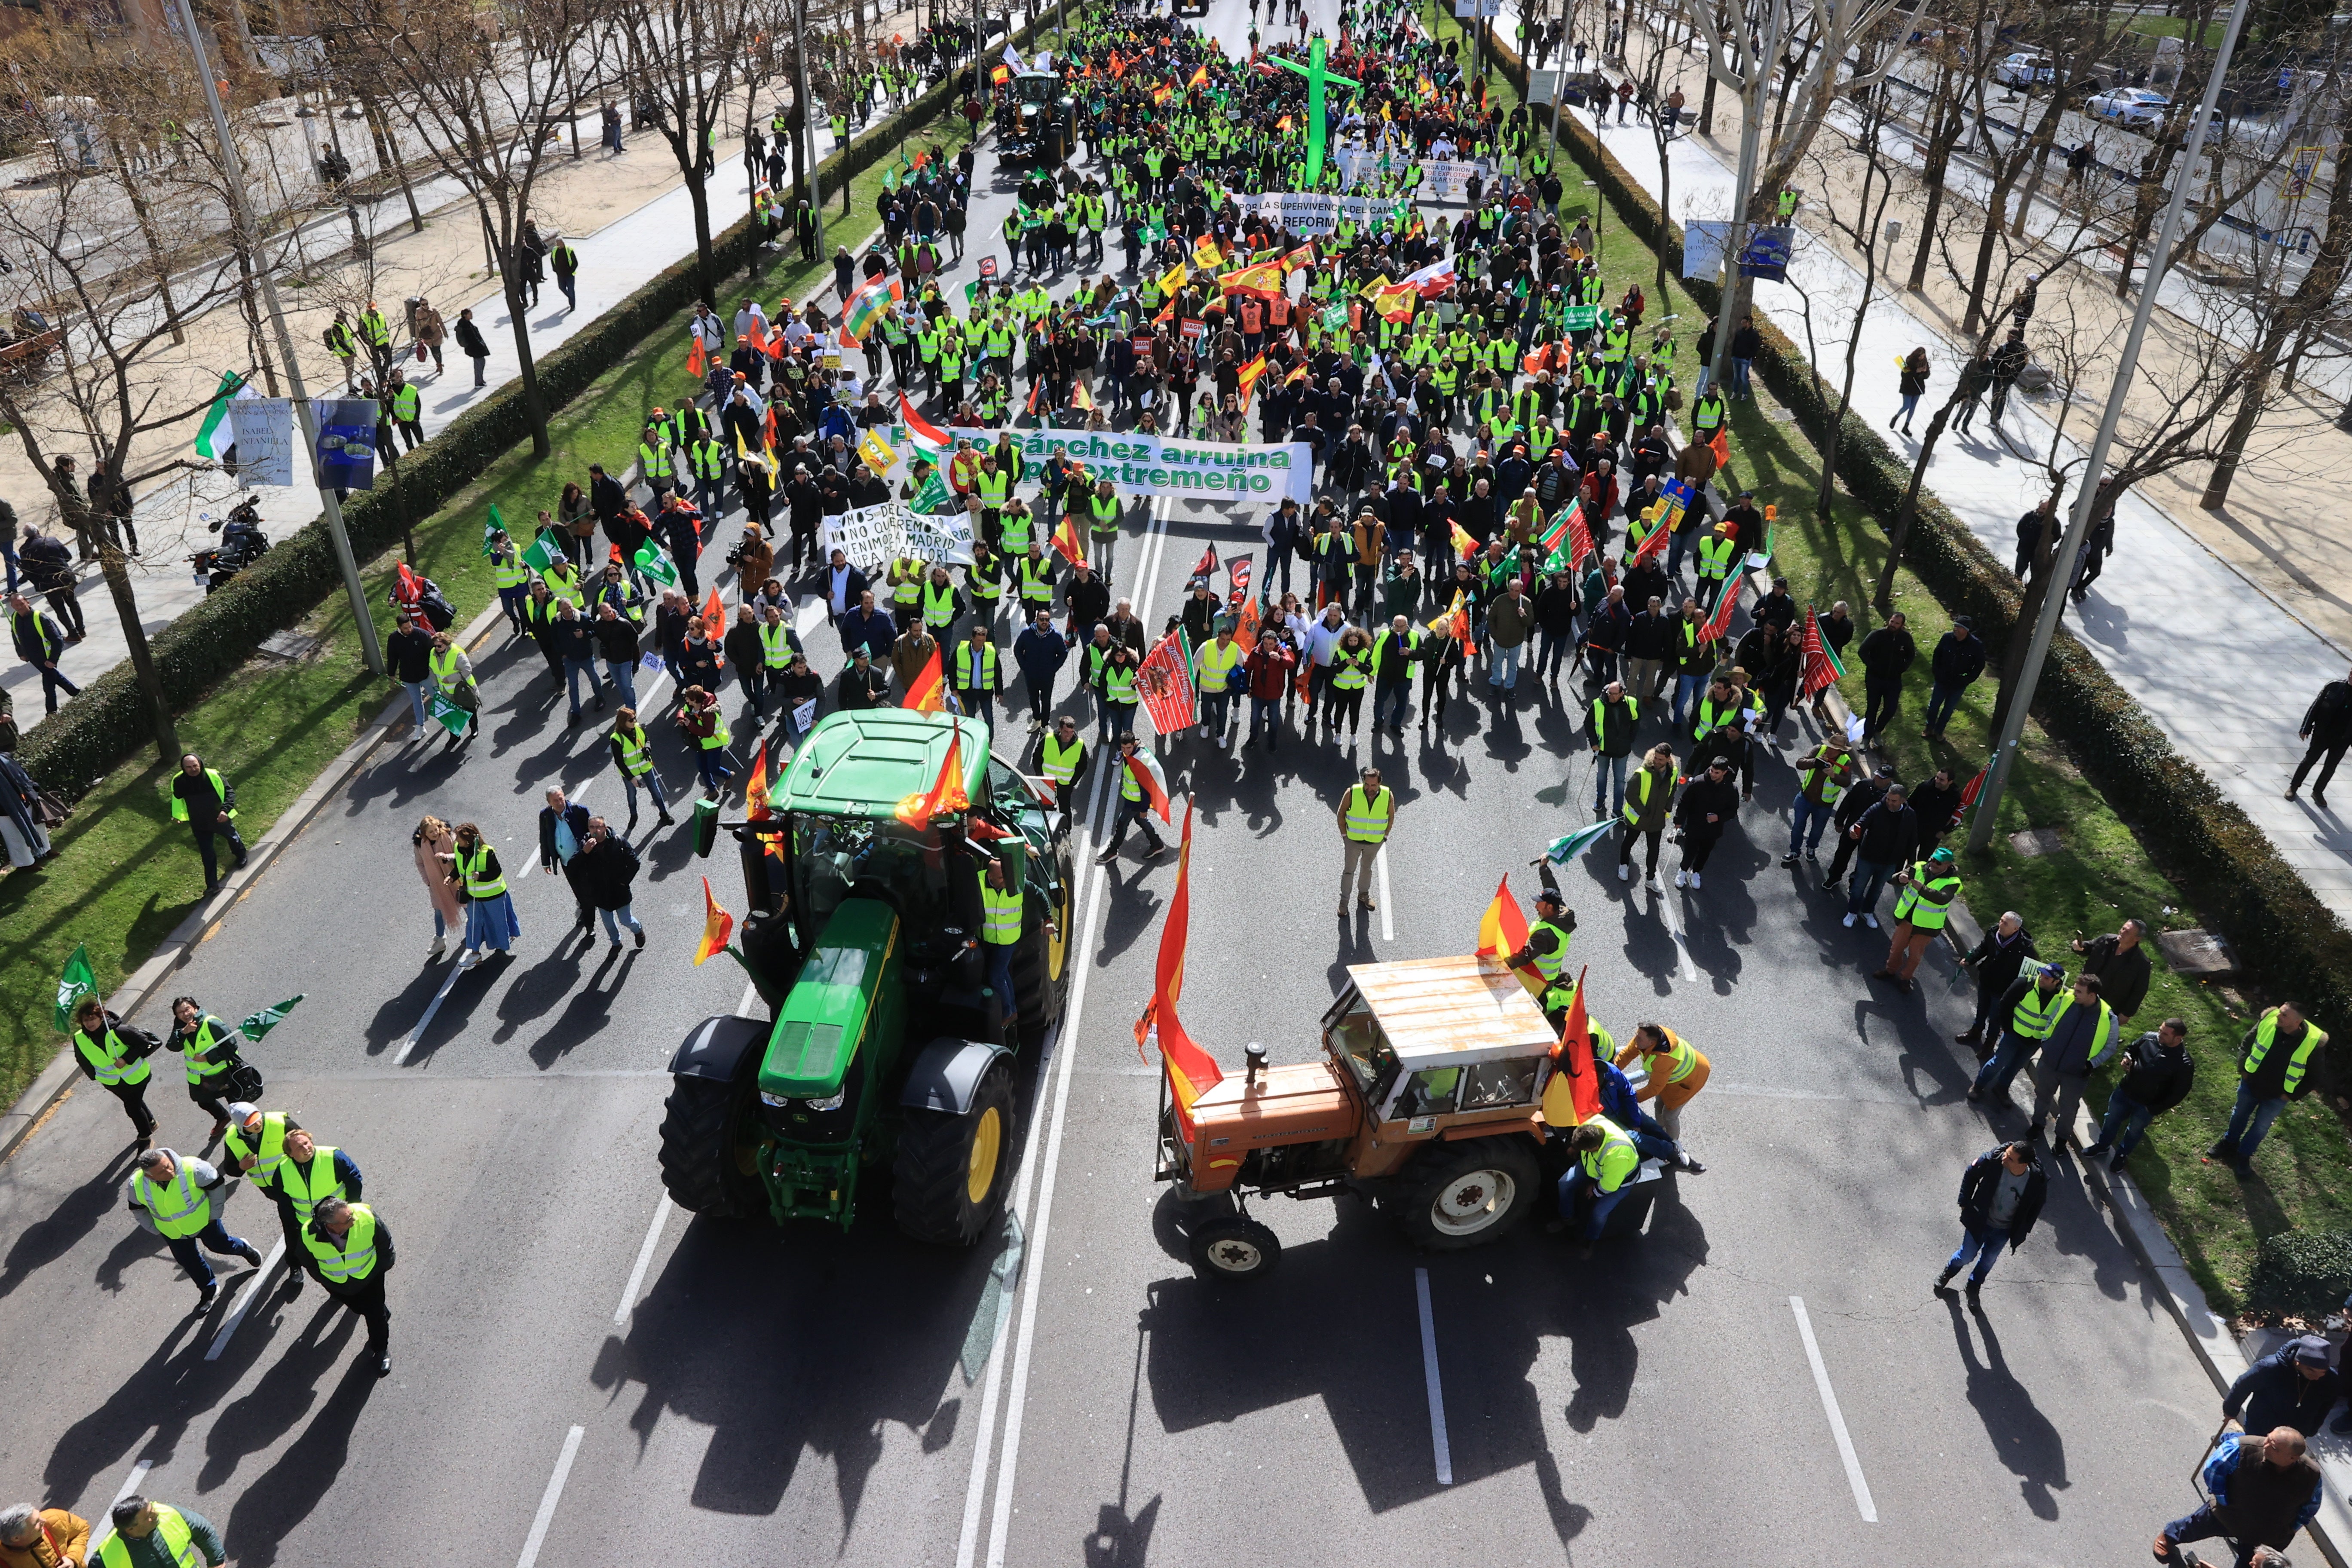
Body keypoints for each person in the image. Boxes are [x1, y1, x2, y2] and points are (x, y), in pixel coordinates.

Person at [2153, 1428, 2322, 1568]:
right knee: (2195, 1525)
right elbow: (2214, 1470)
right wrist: (2223, 1500)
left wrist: (2292, 1527)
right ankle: (2169, 1536)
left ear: (2292, 1458)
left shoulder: (2311, 1475)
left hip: (2267, 1534)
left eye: (2275, 1447)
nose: (2266, 1444)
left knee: (2253, 1564)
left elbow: (2311, 1507)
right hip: (2229, 1513)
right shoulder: (2243, 1448)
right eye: (2269, 1438)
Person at [126, 1146, 260, 1312]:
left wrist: (214, 1215)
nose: (169, 1171)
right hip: (173, 1232)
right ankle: (208, 1289)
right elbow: (138, 1210)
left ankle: (244, 1249)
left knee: (221, 1246)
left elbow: (217, 1186)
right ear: (149, 1176)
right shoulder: (137, 1184)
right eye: (162, 1172)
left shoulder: (194, 1168)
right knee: (189, 1262)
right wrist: (155, 1229)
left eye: (168, 1165)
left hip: (205, 1222)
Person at [2211, 1002, 2327, 1179]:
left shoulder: (2313, 1042)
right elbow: (2248, 1042)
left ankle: (2244, 1155)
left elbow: (2314, 1076)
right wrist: (2244, 1069)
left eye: (2284, 1015)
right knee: (2239, 1114)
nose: (2279, 1016)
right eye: (2280, 1012)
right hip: (2251, 1084)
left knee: (2261, 1127)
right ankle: (2229, 1143)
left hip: (2277, 1095)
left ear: (2298, 1022)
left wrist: (2290, 1095)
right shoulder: (2269, 1020)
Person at [1935, 1141, 2046, 1298]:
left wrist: (2024, 1227)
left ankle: (1974, 1286)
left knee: (1989, 1260)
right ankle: (1949, 1272)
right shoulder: (1993, 1161)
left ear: (2024, 1164)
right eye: (2006, 1153)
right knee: (1967, 1255)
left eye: (2011, 1159)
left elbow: (2038, 1204)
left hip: (2004, 1230)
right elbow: (1971, 1173)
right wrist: (1964, 1203)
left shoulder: (2035, 1179)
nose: (2004, 1158)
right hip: (1981, 1221)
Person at [2027, 972, 2122, 1144]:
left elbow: (2110, 1048)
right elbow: (2051, 1020)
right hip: (2049, 1063)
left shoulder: (2108, 1018)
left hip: (2076, 1073)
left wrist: (2090, 1064)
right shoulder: (2068, 999)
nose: (2074, 992)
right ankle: (2037, 1125)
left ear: (2091, 995)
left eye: (2079, 991)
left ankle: (2062, 1139)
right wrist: (2046, 1044)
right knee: (2042, 1097)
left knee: (2069, 1109)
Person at [305, 1194, 395, 1378]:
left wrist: (380, 1270)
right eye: (347, 1220)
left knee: (375, 1314)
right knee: (359, 1308)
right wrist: (325, 1281)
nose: (353, 1219)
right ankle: (379, 1311)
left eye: (351, 1214)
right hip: (340, 1286)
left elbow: (385, 1245)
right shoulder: (309, 1234)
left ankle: (380, 1350)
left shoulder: (366, 1217)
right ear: (332, 1227)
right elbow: (308, 1260)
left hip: (370, 1277)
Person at [1874, 845, 1963, 992]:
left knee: (1915, 957)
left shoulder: (1953, 882)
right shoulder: (1918, 867)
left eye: (1939, 863)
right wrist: (1899, 878)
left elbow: (1943, 899)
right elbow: (1894, 879)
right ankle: (1890, 970)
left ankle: (1905, 978)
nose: (1934, 864)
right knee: (1896, 949)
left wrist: (1922, 888)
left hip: (1926, 927)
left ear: (1948, 865)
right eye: (1933, 860)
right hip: (1906, 920)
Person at [2225, 1334, 2346, 1442]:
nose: (2317, 1377)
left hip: (2296, 1431)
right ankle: (2230, 1441)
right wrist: (2231, 1410)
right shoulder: (2269, 1368)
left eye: (2323, 1372)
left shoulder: (2331, 1380)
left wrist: (2312, 1429)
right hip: (2262, 1423)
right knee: (2254, 1447)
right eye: (2311, 1371)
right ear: (2298, 1362)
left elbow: (2326, 1405)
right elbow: (2243, 1385)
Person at [70, 994, 156, 1147]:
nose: (89, 1023)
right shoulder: (79, 1038)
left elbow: (143, 1043)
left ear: (101, 1018)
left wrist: (126, 1059)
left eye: (93, 1019)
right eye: (86, 1020)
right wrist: (95, 1075)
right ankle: (150, 1122)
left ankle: (145, 1137)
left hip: (137, 1077)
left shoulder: (120, 1031)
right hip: (112, 1082)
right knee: (133, 1104)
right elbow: (82, 1059)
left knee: (133, 1108)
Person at [1553, 1116, 1638, 1259]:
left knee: (1599, 1213)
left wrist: (1595, 1190)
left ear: (1594, 1148)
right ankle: (1567, 1218)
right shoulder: (1590, 1125)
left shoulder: (1617, 1156)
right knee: (1565, 1184)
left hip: (1619, 1181)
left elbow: (1611, 1185)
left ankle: (1590, 1240)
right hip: (1593, 1166)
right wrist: (1575, 1147)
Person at [163, 996, 242, 1142]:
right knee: (204, 1102)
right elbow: (172, 1046)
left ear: (195, 1007)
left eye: (187, 1009)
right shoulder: (181, 1026)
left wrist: (208, 1058)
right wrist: (183, 1033)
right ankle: (223, 1117)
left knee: (237, 1106)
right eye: (180, 1013)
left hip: (224, 1074)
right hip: (200, 1078)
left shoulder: (212, 1023)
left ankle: (244, 1131)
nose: (186, 1014)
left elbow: (232, 1046)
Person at [1956, 911, 2038, 1050]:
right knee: (1982, 1009)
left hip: (2002, 989)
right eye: (2001, 920)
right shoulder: (1994, 932)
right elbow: (1984, 948)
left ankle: (1990, 1044)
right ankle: (1976, 1031)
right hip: (1986, 979)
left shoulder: (2024, 948)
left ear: (2015, 929)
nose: (2001, 925)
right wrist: (1970, 960)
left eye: (2005, 923)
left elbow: (2029, 972)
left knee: (1995, 1017)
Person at [1614, 1023, 1709, 1141]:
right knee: (1659, 1104)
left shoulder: (1664, 1059)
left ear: (1651, 1043)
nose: (1635, 1039)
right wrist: (1610, 1071)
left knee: (1669, 1116)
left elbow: (1654, 1089)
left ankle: (1673, 1144)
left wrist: (1628, 1099)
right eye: (1636, 1035)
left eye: (1639, 1038)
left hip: (1691, 1080)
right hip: (1669, 1077)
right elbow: (1627, 1054)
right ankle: (1661, 1132)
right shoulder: (1646, 1040)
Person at [1841, 782, 1917, 929]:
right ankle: (1852, 912)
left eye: (1894, 801)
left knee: (1877, 889)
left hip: (1890, 862)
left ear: (1903, 801)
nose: (1889, 802)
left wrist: (1911, 863)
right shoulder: (1877, 809)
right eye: (1888, 799)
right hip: (1868, 858)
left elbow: (1912, 839)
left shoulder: (1910, 815)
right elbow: (1861, 822)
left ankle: (1868, 911)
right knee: (1859, 887)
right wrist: (1853, 830)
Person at [444, 819, 518, 968]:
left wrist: (481, 876)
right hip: (474, 897)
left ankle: (502, 944)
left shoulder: (487, 852)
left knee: (498, 923)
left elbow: (496, 872)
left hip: (494, 896)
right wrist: (452, 876)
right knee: (474, 924)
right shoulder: (459, 849)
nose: (455, 840)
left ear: (468, 840)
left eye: (458, 838)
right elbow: (461, 868)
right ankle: (475, 954)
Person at [1783, 733, 1857, 867]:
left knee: (1817, 831)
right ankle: (1794, 851)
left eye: (1835, 749)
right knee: (1797, 828)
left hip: (1824, 805)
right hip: (1804, 798)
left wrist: (1833, 775)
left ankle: (1811, 848)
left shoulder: (1846, 761)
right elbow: (1800, 763)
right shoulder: (1819, 749)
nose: (1830, 751)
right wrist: (1814, 762)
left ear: (1841, 751)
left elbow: (1846, 782)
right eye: (1830, 747)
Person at [1095, 733, 1167, 865]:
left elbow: (1145, 788)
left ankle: (1112, 851)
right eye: (1123, 748)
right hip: (1131, 798)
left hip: (1136, 801)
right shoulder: (1129, 755)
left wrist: (1144, 808)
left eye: (1128, 748)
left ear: (1134, 744)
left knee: (1122, 824)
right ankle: (1157, 844)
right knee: (1141, 820)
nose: (1125, 751)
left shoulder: (1138, 762)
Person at [95, 1498, 228, 1568]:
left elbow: (203, 1530)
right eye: (149, 1516)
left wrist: (216, 1562)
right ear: (131, 1529)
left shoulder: (169, 1514)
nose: (156, 1513)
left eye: (152, 1509)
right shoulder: (105, 1557)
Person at [2287, 665, 2352, 808]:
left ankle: (2318, 792)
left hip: (2343, 739)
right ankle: (2294, 787)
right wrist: (2306, 728)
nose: (2351, 676)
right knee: (2310, 760)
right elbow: (2315, 707)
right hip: (2323, 733)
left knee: (2331, 767)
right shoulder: (2334, 687)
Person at [577, 818, 646, 949]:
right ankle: (616, 943)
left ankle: (638, 930)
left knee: (626, 920)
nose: (595, 830)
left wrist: (623, 882)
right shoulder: (585, 844)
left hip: (619, 891)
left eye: (599, 827)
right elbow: (576, 866)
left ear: (605, 828)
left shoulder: (618, 841)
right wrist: (584, 853)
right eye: (592, 827)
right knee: (608, 923)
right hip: (600, 892)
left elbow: (634, 863)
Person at [2071, 919, 2152, 1028]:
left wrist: (2126, 1014)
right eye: (2123, 928)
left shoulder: (2141, 964)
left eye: (2127, 932)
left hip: (2108, 1005)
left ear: (2137, 939)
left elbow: (2139, 991)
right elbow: (2089, 947)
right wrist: (2080, 947)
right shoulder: (2107, 940)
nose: (2122, 932)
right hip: (2084, 993)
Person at [1336, 765, 1395, 916]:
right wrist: (1345, 836)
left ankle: (1364, 895)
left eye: (1373, 785)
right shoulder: (1352, 793)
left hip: (1374, 842)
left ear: (1379, 783)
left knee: (1367, 869)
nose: (1370, 788)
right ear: (1364, 781)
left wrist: (1385, 837)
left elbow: (1391, 817)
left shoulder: (1388, 795)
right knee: (1349, 871)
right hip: (1353, 841)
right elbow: (1341, 814)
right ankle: (1344, 903)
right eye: (1367, 784)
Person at [1672, 757, 1738, 890]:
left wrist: (1719, 817)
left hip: (1713, 830)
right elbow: (1684, 802)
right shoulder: (1699, 782)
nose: (1713, 775)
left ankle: (1696, 872)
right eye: (1712, 771)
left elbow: (1732, 811)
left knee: (1705, 852)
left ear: (1724, 773)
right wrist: (1679, 821)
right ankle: (1683, 870)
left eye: (1717, 773)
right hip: (1694, 826)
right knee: (1690, 851)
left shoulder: (1731, 789)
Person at [9, 591, 77, 713]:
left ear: (27, 602)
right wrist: (21, 653)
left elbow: (58, 640)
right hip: (34, 658)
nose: (19, 607)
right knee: (56, 678)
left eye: (21, 604)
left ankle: (51, 713)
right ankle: (77, 693)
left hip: (46, 658)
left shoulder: (40, 618)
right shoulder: (15, 617)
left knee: (49, 687)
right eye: (16, 605)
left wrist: (53, 660)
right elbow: (16, 636)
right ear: (12, 607)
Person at [1618, 743, 1676, 886]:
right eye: (1656, 758)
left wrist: (1667, 808)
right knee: (1629, 842)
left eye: (1661, 760)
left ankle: (1650, 878)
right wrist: (1643, 811)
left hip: (1657, 819)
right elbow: (1630, 794)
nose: (1657, 762)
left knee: (1654, 849)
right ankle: (1623, 865)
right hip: (1639, 818)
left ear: (1668, 759)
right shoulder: (1641, 773)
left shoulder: (1673, 772)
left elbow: (1673, 790)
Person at [608, 707, 674, 831]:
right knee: (632, 795)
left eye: (635, 718)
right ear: (623, 722)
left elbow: (647, 740)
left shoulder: (639, 728)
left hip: (645, 766)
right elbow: (619, 762)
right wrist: (632, 779)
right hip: (630, 772)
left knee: (655, 791)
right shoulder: (616, 739)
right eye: (631, 720)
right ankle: (634, 816)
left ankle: (664, 815)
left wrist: (648, 749)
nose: (634, 721)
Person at [539, 785, 594, 934]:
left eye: (561, 798)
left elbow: (592, 832)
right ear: (549, 802)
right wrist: (546, 861)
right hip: (566, 861)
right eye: (555, 801)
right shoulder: (545, 815)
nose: (559, 803)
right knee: (577, 889)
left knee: (588, 888)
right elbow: (544, 839)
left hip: (582, 858)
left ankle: (590, 923)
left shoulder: (579, 811)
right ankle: (586, 911)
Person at [978, 856, 1025, 1026]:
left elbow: (1039, 894)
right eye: (1001, 878)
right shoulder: (977, 881)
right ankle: (1012, 1010)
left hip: (1008, 940)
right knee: (1003, 973)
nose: (1006, 881)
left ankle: (1007, 1013)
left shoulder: (1018, 881)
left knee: (995, 977)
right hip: (989, 939)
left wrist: (1048, 920)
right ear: (990, 877)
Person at [1922, 616, 1984, 738]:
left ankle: (1939, 732)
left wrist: (1967, 679)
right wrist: (1936, 672)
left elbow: (1979, 666)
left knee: (1948, 709)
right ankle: (1929, 728)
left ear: (1966, 630)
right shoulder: (1947, 638)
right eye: (1955, 626)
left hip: (1958, 684)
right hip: (1942, 680)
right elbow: (1937, 655)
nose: (1956, 629)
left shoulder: (1976, 645)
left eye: (1959, 627)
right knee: (1934, 706)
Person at [1857, 611, 1914, 741]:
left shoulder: (1906, 638)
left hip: (1894, 681)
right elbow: (1862, 651)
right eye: (1892, 622)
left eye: (1897, 623)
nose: (1893, 625)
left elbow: (1911, 654)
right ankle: (1866, 737)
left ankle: (1878, 730)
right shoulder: (1877, 635)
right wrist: (1872, 666)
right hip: (1875, 679)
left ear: (1902, 625)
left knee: (1891, 709)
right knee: (1872, 709)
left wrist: (1903, 667)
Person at [413, 814, 462, 960]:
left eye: (436, 830)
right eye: (431, 832)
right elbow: (420, 863)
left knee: (466, 903)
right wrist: (428, 881)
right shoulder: (420, 845)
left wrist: (447, 857)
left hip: (455, 878)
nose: (435, 834)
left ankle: (478, 930)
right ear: (424, 834)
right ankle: (440, 939)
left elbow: (459, 854)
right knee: (439, 912)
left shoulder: (449, 836)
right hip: (436, 885)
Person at [1246, 628, 1298, 750]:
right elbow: (1247, 669)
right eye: (1265, 644)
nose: (1268, 647)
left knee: (1274, 721)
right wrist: (1247, 688)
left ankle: (1272, 741)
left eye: (1271, 644)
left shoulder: (1281, 651)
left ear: (1276, 643)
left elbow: (1291, 664)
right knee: (1254, 718)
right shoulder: (1256, 652)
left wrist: (1280, 659)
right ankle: (1253, 737)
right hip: (1257, 693)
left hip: (1274, 695)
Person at [0, 1502, 89, 1568]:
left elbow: (82, 1529)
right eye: (36, 1522)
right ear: (16, 1538)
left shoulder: (56, 1518)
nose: (44, 1521)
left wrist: (72, 1558)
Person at [1039, 714, 1087, 827]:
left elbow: (1083, 765)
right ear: (1060, 729)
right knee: (1047, 808)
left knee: (1065, 809)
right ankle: (1047, 831)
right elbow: (1037, 758)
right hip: (1047, 782)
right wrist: (1041, 778)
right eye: (1066, 732)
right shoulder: (1048, 739)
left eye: (1071, 732)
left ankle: (1067, 832)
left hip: (1065, 784)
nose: (1069, 735)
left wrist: (1072, 782)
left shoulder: (1079, 744)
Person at [1892, 346, 1929, 435]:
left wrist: (1925, 372)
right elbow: (1905, 375)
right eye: (1921, 356)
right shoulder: (1909, 361)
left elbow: (1927, 376)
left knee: (1912, 408)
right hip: (1908, 388)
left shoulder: (1925, 363)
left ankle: (1906, 426)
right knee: (1906, 406)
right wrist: (1916, 371)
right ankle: (1896, 417)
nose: (1922, 358)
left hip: (1918, 388)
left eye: (1923, 356)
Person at [455, 306, 490, 388]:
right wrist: (481, 345)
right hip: (475, 348)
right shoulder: (466, 326)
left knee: (480, 363)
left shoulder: (467, 323)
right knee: (479, 364)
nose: (472, 315)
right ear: (465, 316)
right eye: (470, 314)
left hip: (474, 348)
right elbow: (472, 338)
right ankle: (478, 382)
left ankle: (480, 380)